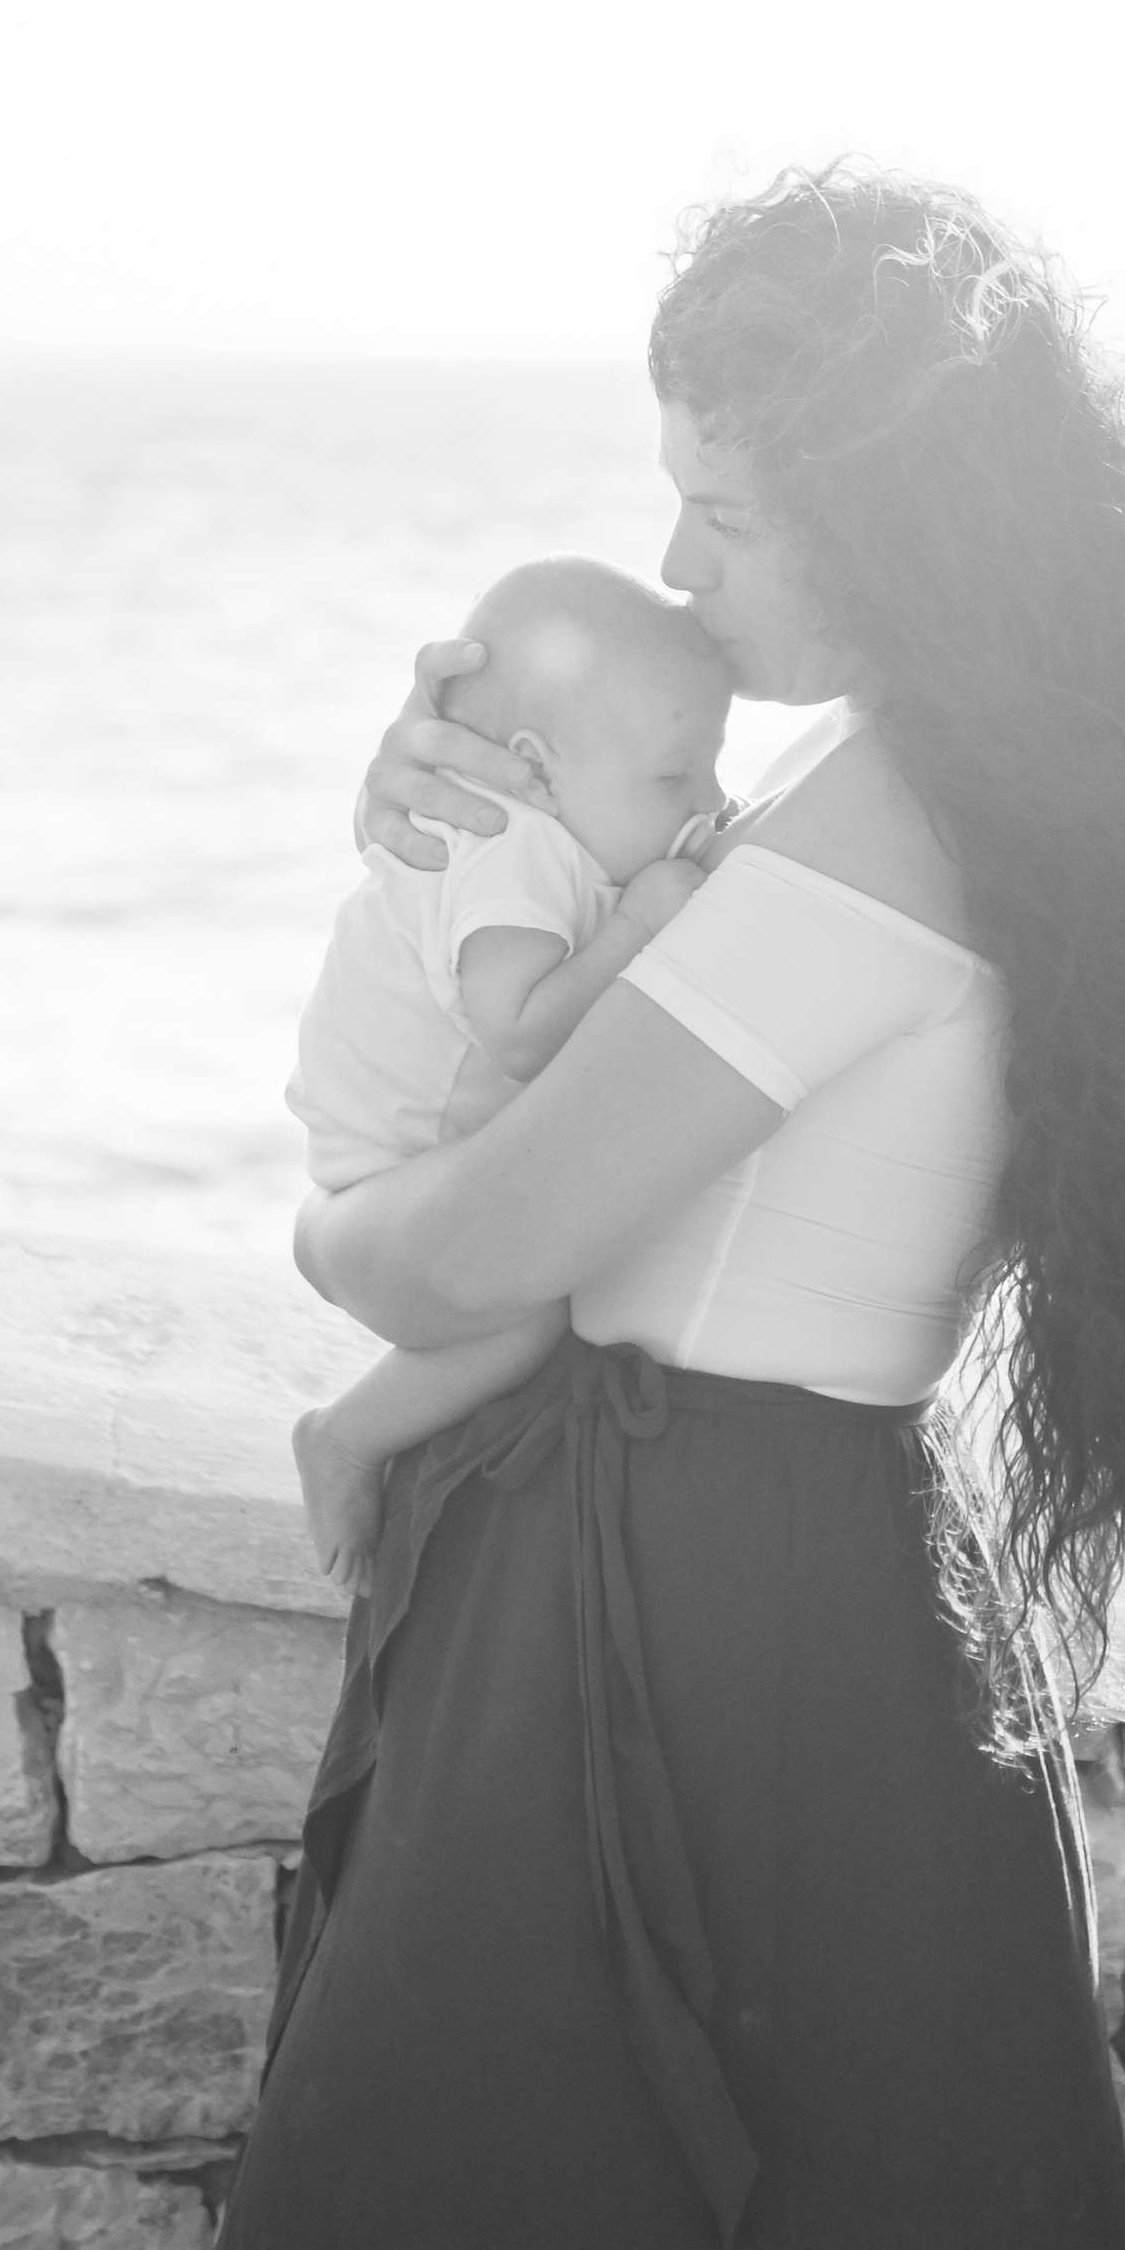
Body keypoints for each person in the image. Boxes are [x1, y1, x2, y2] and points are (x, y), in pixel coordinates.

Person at [154, 170, 1125, 2250]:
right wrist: (465, 813)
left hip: (705, 1611)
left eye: (724, 507)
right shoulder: (947, 767)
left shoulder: (887, 808)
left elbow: (478, 1244)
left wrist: (345, 1236)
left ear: (885, 503)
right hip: (774, 1574)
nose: (678, 567)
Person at [287, 558, 730, 1591]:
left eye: (713, 765)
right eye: (674, 776)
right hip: (393, 1169)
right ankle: (346, 1434)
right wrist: (637, 924)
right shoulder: (512, 850)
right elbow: (521, 1033)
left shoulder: (561, 828)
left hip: (410, 1165)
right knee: (532, 1305)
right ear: (536, 765)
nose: (706, 799)